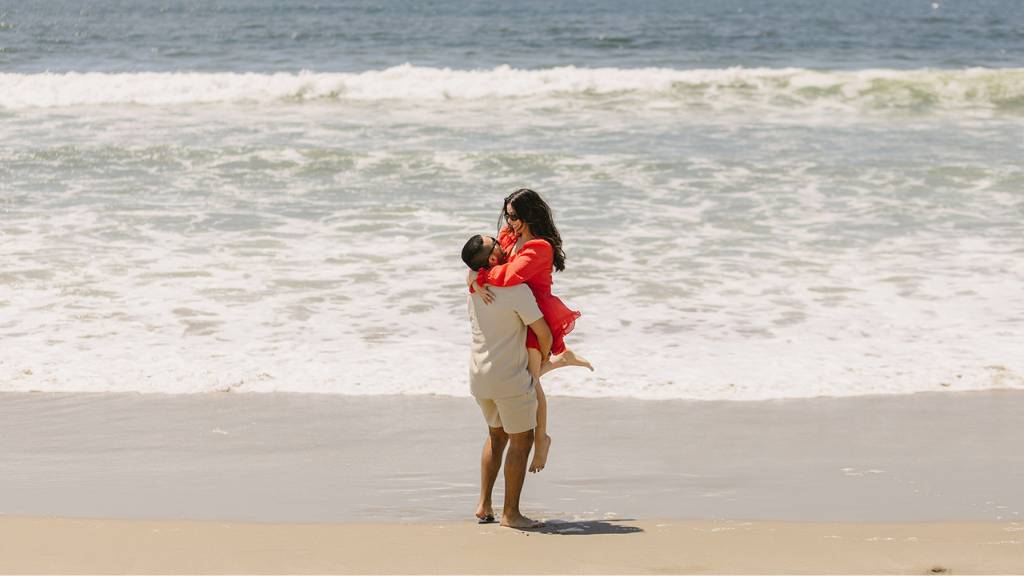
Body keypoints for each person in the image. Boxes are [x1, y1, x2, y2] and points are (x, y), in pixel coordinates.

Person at [467, 188, 592, 474]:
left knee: (530, 381)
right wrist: (474, 276)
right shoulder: (510, 237)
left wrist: (482, 276)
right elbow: (480, 262)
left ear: (528, 214)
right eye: (507, 216)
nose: (508, 222)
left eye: (513, 216)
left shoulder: (539, 247)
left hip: (535, 314)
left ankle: (542, 438)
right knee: (526, 375)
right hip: (517, 315)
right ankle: (562, 360)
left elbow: (511, 276)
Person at [462, 233, 551, 529]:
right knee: (521, 440)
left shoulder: (475, 286)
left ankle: (483, 504)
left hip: (479, 376)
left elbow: (471, 274)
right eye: (496, 244)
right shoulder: (515, 290)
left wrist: (475, 279)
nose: (503, 243)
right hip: (509, 378)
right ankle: (510, 514)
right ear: (492, 259)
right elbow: (543, 333)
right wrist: (542, 362)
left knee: (496, 436)